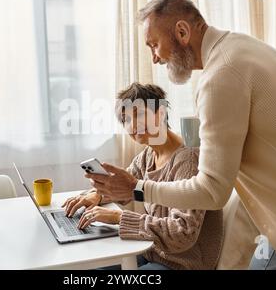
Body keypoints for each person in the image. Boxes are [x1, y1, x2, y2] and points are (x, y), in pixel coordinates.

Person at [86, 0, 276, 270]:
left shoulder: (221, 76)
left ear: (182, 31)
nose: (155, 58)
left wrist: (138, 190)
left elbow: (212, 191)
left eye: (154, 44)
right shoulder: (242, 48)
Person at [63, 83, 223, 270]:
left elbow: (182, 234)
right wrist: (97, 195)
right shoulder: (148, 156)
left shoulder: (188, 160)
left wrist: (118, 217)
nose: (132, 125)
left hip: (182, 263)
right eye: (125, 119)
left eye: (138, 114)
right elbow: (123, 188)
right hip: (150, 252)